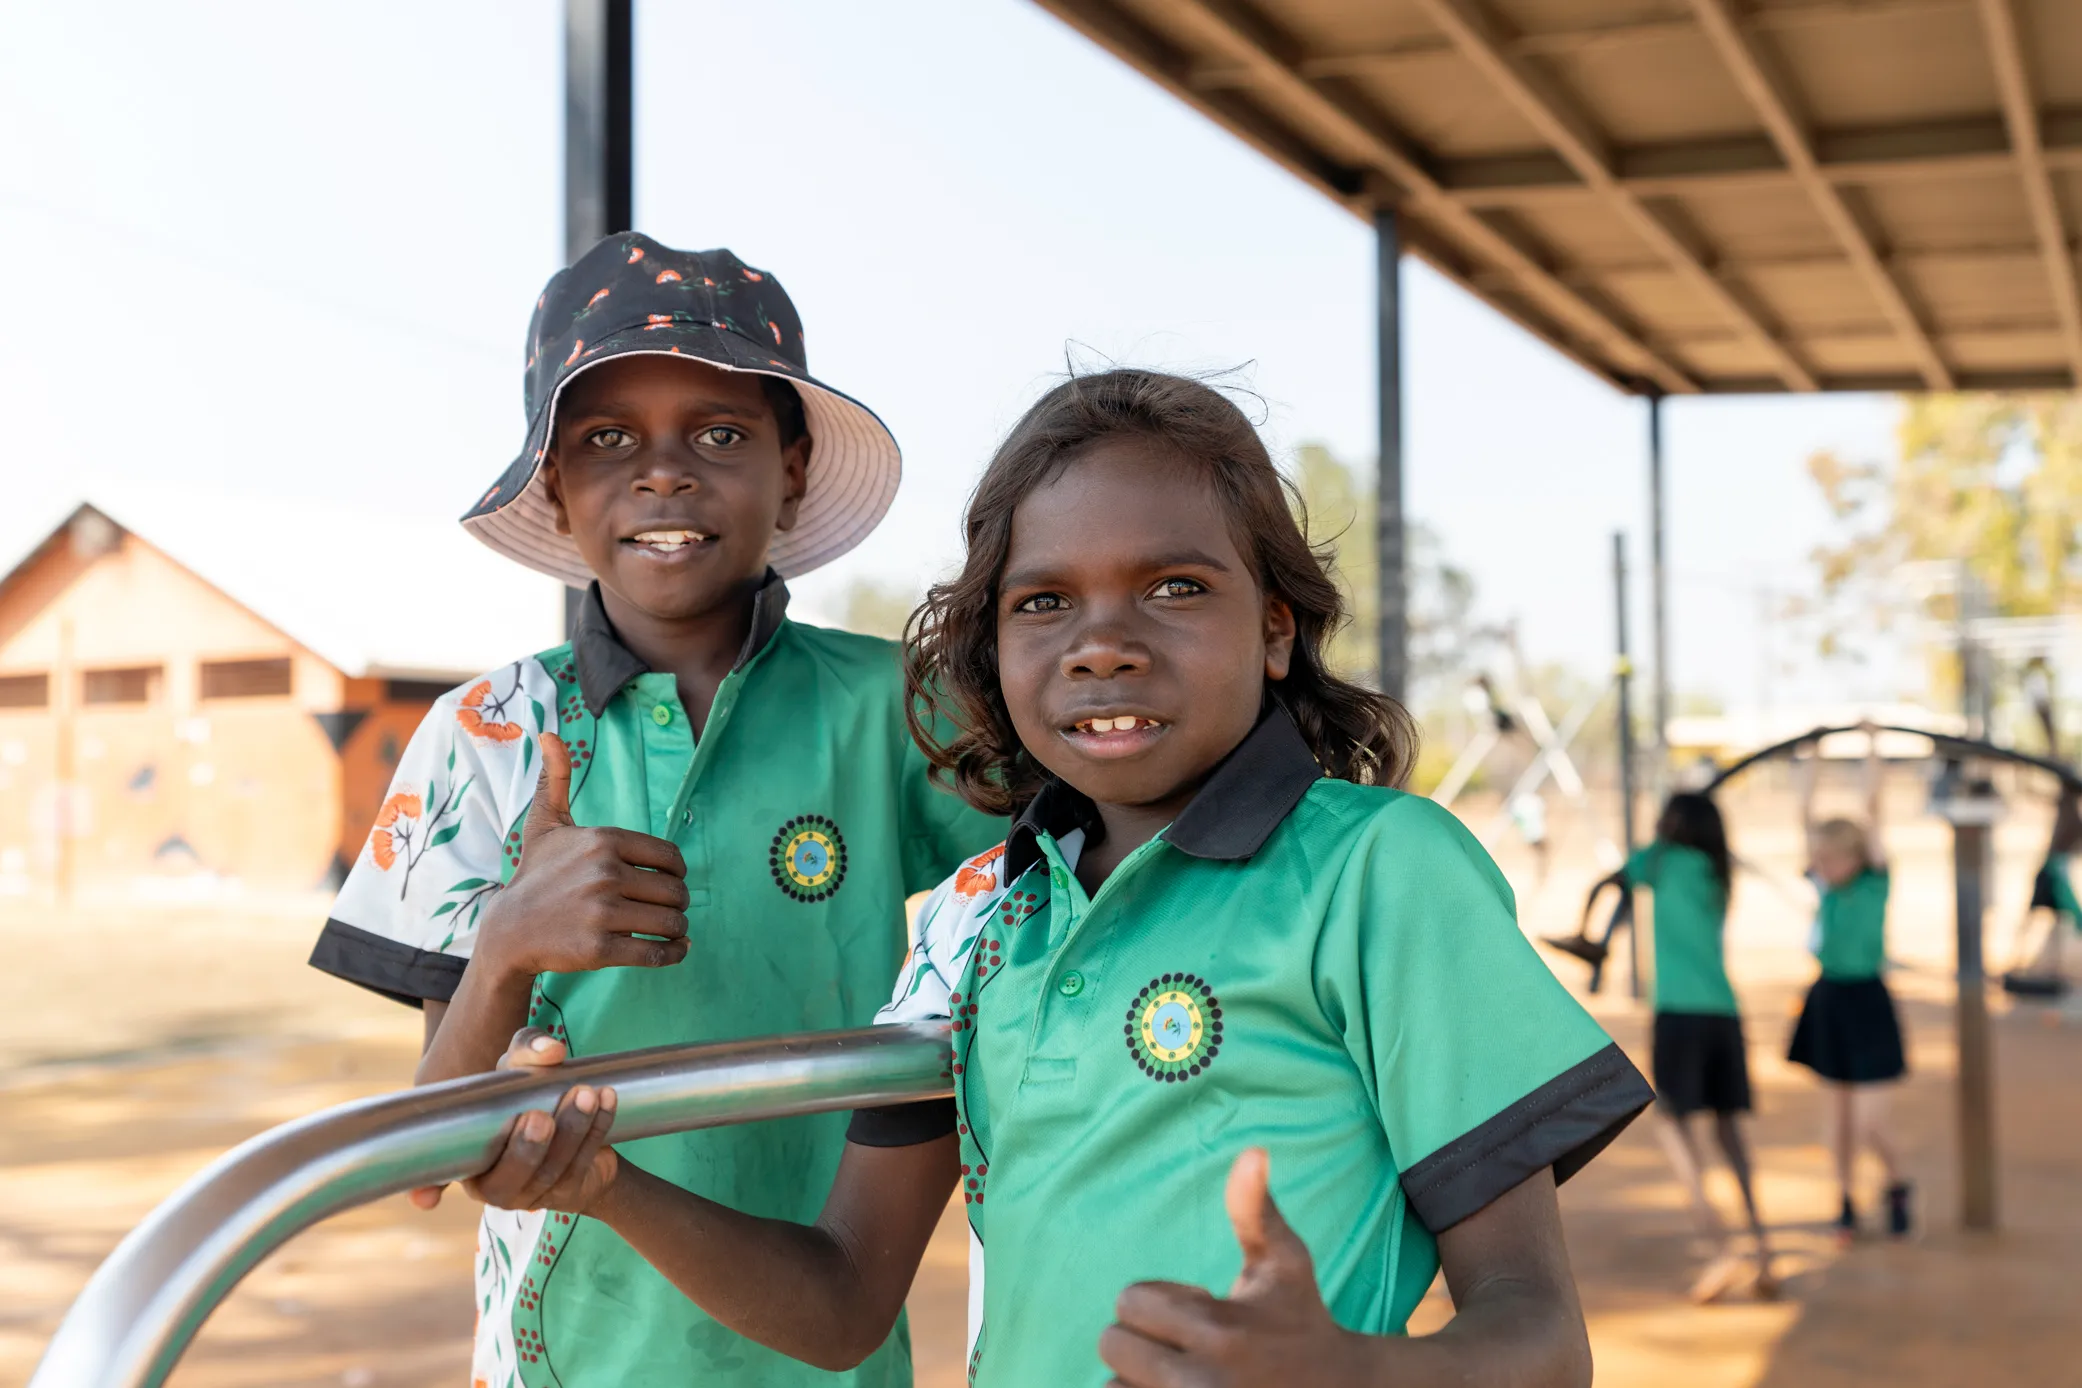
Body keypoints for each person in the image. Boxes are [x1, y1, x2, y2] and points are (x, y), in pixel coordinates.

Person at [460, 368, 1654, 1387]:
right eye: (1044, 602)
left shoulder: (1381, 873)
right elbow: (838, 1304)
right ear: (994, 651)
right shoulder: (979, 917)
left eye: (1175, 586)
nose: (1103, 640)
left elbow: (1541, 1334)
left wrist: (1353, 1370)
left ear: (1278, 627)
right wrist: (608, 1184)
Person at [306, 232, 1003, 1387]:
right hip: (569, 1352)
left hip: (823, 1341)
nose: (665, 472)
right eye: (607, 439)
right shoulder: (484, 737)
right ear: (557, 486)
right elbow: (422, 1158)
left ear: (791, 472)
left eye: (721, 435)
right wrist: (506, 945)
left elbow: (1091, 852)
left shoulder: (899, 705)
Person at [1573, 793, 1777, 1302]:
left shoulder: (1659, 859)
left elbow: (1613, 881)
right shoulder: (1717, 872)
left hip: (1679, 1016)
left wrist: (1588, 937)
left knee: (1675, 1129)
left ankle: (1719, 1249)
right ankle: (1764, 1247)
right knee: (1731, 1134)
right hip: (1724, 1014)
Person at [1790, 726, 1911, 1241]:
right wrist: (1810, 757)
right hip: (1829, 1000)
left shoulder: (1875, 879)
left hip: (1867, 1000)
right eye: (1819, 858)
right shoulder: (1825, 882)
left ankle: (1898, 1182)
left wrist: (1872, 747)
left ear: (1855, 857)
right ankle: (1844, 1201)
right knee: (1836, 1119)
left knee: (1868, 1122)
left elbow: (1876, 808)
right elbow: (1804, 815)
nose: (1821, 865)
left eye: (1830, 858)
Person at [2001, 787, 2082, 998]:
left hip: (2055, 873)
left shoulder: (2070, 819)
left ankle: (2039, 966)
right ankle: (2029, 964)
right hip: (2054, 871)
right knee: (2048, 920)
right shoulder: (2069, 816)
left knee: (2045, 920)